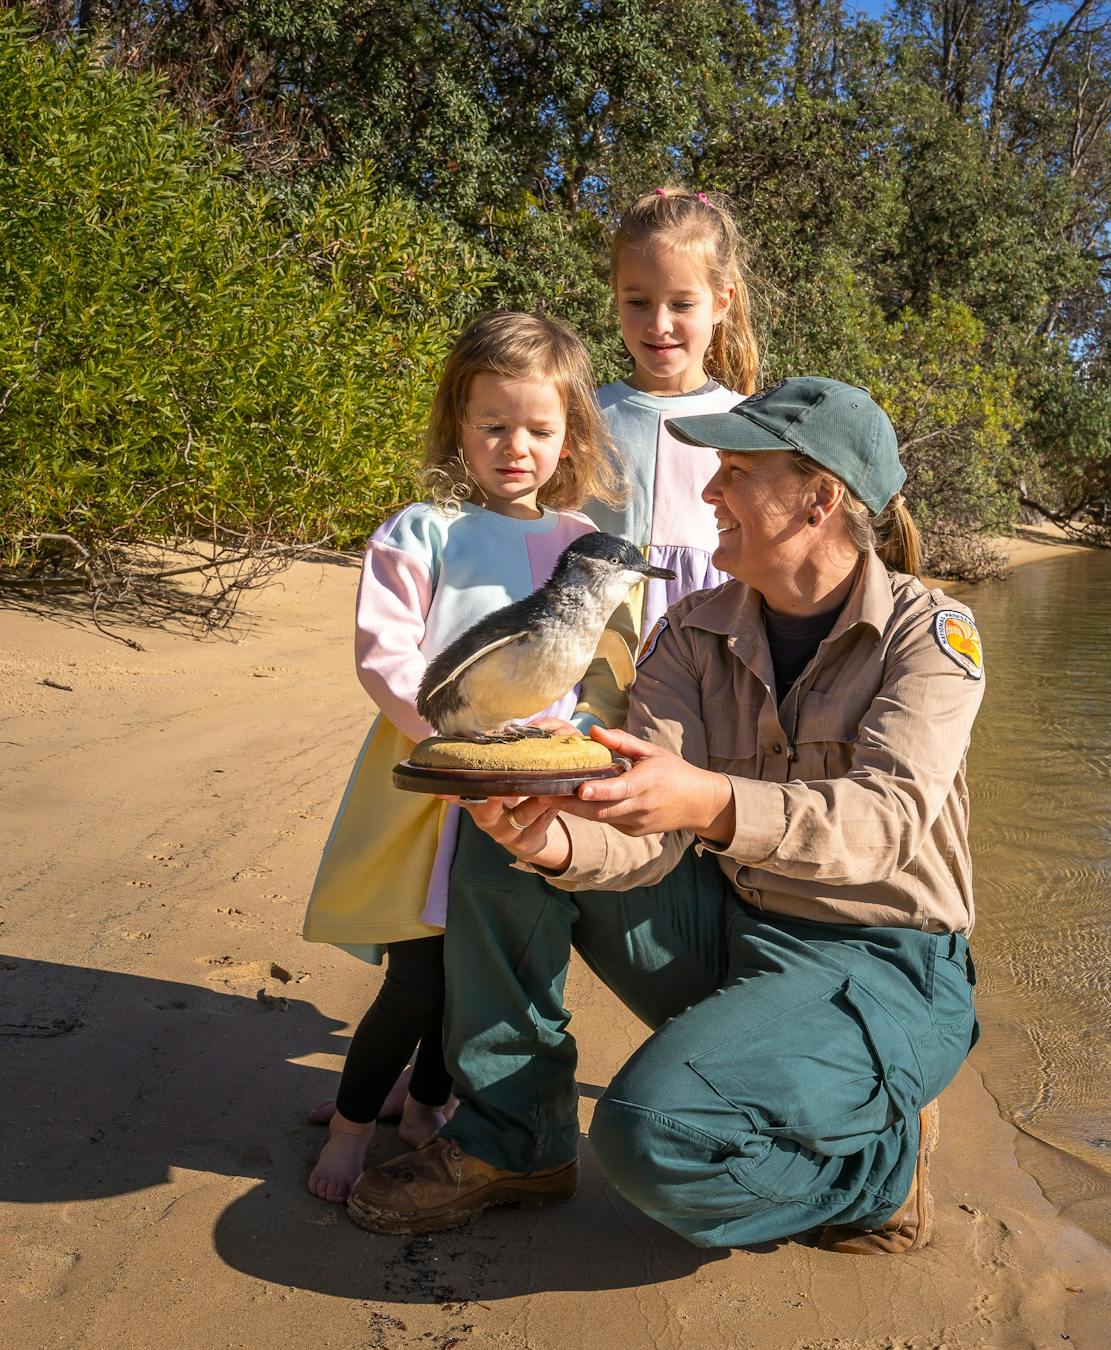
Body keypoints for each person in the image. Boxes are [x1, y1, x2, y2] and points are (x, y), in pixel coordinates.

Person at [348, 377, 985, 1256]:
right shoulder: (688, 631)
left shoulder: (929, 634)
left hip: (885, 959)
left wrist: (708, 800)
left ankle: (882, 1168)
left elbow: (887, 823)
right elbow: (647, 834)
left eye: (736, 473)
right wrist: (554, 837)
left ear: (820, 500)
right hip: (731, 926)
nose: (710, 492)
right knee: (506, 850)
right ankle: (514, 1139)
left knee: (650, 1141)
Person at [300, 311, 622, 1203]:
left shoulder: (577, 540)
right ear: (458, 425)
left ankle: (424, 1108)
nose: (516, 447)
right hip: (427, 778)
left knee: (474, 977)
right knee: (416, 980)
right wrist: (450, 744)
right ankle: (351, 1128)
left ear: (570, 437)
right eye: (493, 425)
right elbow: (386, 657)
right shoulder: (424, 529)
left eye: (539, 429)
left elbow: (597, 664)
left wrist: (569, 736)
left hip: (525, 790)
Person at [574, 185, 759, 732]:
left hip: (711, 631)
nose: (658, 324)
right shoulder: (583, 414)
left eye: (681, 304)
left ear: (722, 302)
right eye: (638, 302)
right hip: (597, 638)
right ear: (614, 296)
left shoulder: (747, 422)